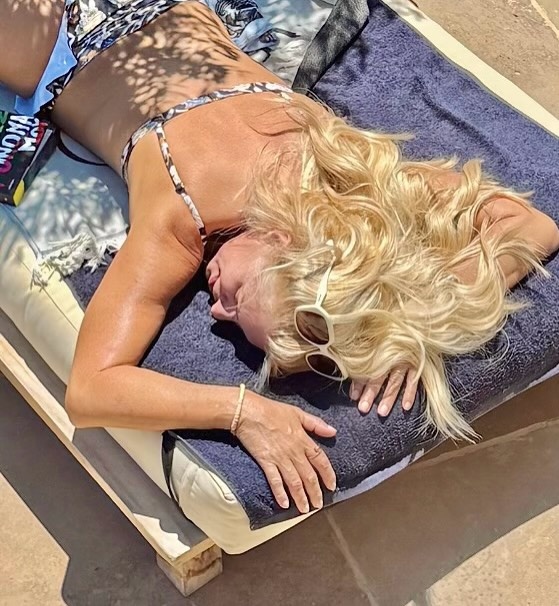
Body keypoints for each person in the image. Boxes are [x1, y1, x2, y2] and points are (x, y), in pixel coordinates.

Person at [2, 0, 558, 515]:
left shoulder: (345, 174)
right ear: (284, 240)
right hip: (73, 36)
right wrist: (241, 411)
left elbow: (530, 225)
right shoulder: (183, 217)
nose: (216, 309)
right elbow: (91, 390)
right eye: (238, 297)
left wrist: (413, 322)